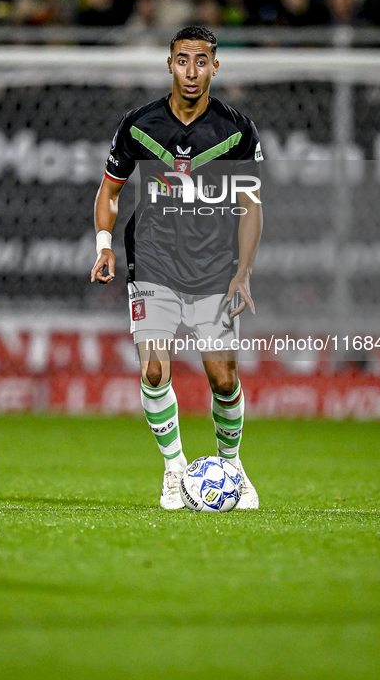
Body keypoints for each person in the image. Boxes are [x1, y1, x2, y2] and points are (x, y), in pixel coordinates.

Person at [90, 26, 263, 510]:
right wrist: (104, 245)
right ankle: (173, 471)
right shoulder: (139, 124)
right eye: (183, 60)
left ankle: (231, 465)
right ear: (169, 64)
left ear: (215, 66)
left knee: (224, 379)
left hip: (213, 267)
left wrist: (243, 271)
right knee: (153, 369)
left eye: (201, 60)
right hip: (153, 262)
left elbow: (250, 204)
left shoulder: (236, 130)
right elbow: (109, 191)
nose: (192, 70)